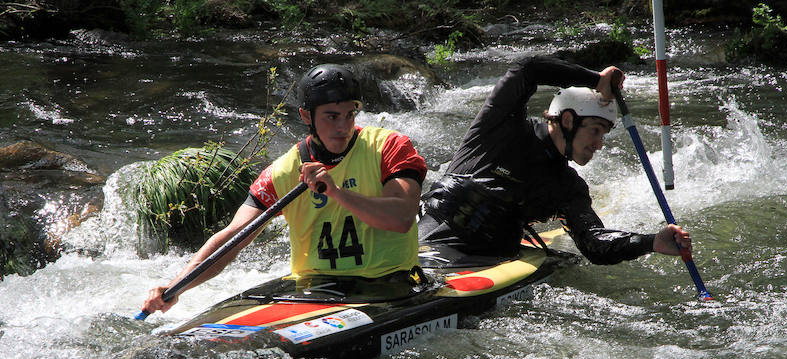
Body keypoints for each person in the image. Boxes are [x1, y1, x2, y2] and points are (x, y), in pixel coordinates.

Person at [142, 64, 427, 315]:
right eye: (331, 116)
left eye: (349, 114)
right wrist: (178, 285)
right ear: (306, 115)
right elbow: (234, 237)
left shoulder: (390, 147)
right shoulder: (282, 171)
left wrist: (337, 192)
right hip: (316, 289)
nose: (343, 126)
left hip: (390, 283)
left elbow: (401, 218)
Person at [418, 55, 691, 264]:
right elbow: (528, 68)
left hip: (484, 261)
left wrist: (651, 242)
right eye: (595, 131)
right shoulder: (501, 126)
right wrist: (595, 80)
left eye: (604, 135)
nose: (599, 144)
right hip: (427, 239)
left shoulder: (568, 188)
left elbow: (593, 242)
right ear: (569, 120)